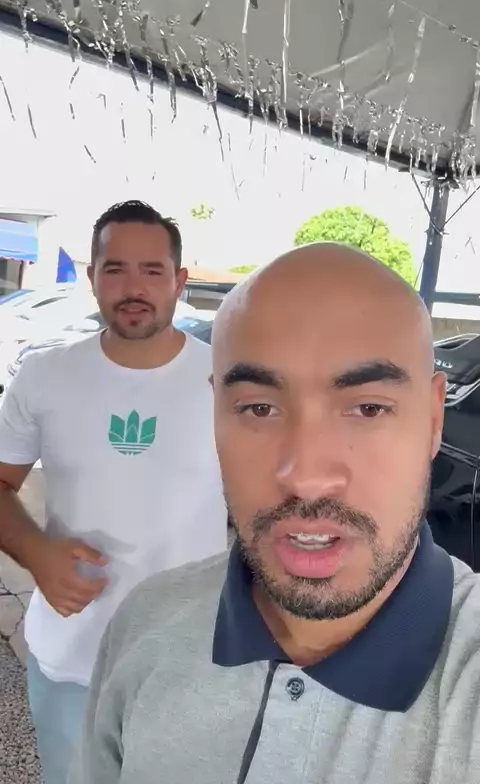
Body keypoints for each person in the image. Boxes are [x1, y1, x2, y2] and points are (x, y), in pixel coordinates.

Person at [70, 242, 480, 784]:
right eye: (259, 408)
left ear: (432, 420)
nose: (305, 476)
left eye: (368, 408)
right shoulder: (146, 622)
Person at [0, 200, 227, 784]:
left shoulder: (228, 381)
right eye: (115, 269)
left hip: (190, 658)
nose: (134, 288)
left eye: (152, 270)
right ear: (92, 277)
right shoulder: (44, 375)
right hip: (70, 658)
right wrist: (38, 554)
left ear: (179, 280)